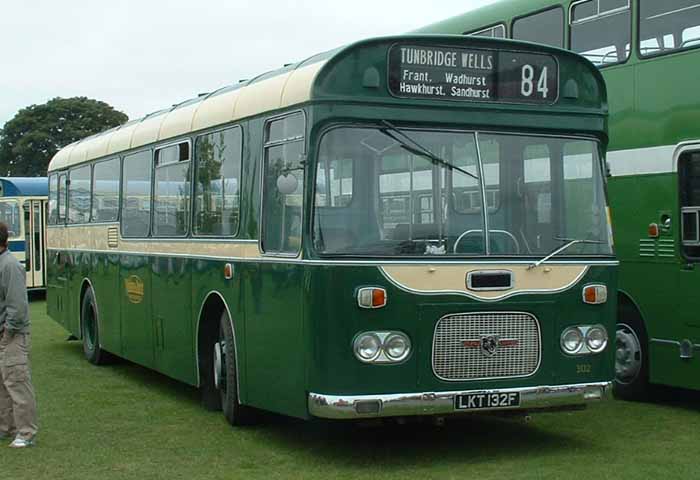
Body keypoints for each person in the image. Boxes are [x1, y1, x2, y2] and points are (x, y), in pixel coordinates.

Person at [0, 222, 37, 448]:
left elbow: (17, 307)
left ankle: (26, 433)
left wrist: (7, 334)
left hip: (12, 335)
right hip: (4, 333)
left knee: (17, 382)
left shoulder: (10, 266)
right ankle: (6, 428)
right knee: (3, 385)